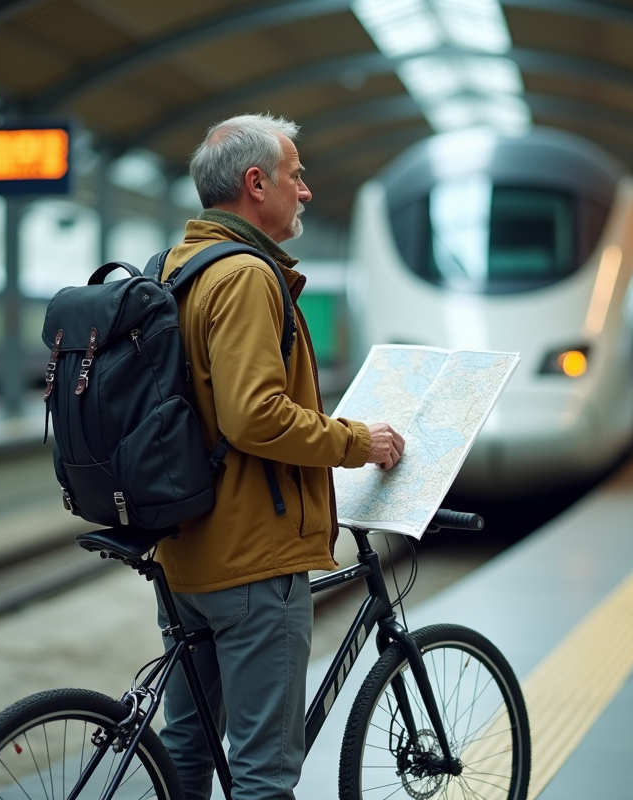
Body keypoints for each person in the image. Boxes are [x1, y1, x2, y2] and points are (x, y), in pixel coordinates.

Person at [152, 113, 405, 800]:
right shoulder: (245, 275)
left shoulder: (178, 267)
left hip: (188, 556)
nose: (307, 191)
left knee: (187, 748)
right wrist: (359, 440)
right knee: (264, 773)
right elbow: (253, 415)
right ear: (256, 183)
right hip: (253, 561)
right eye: (296, 176)